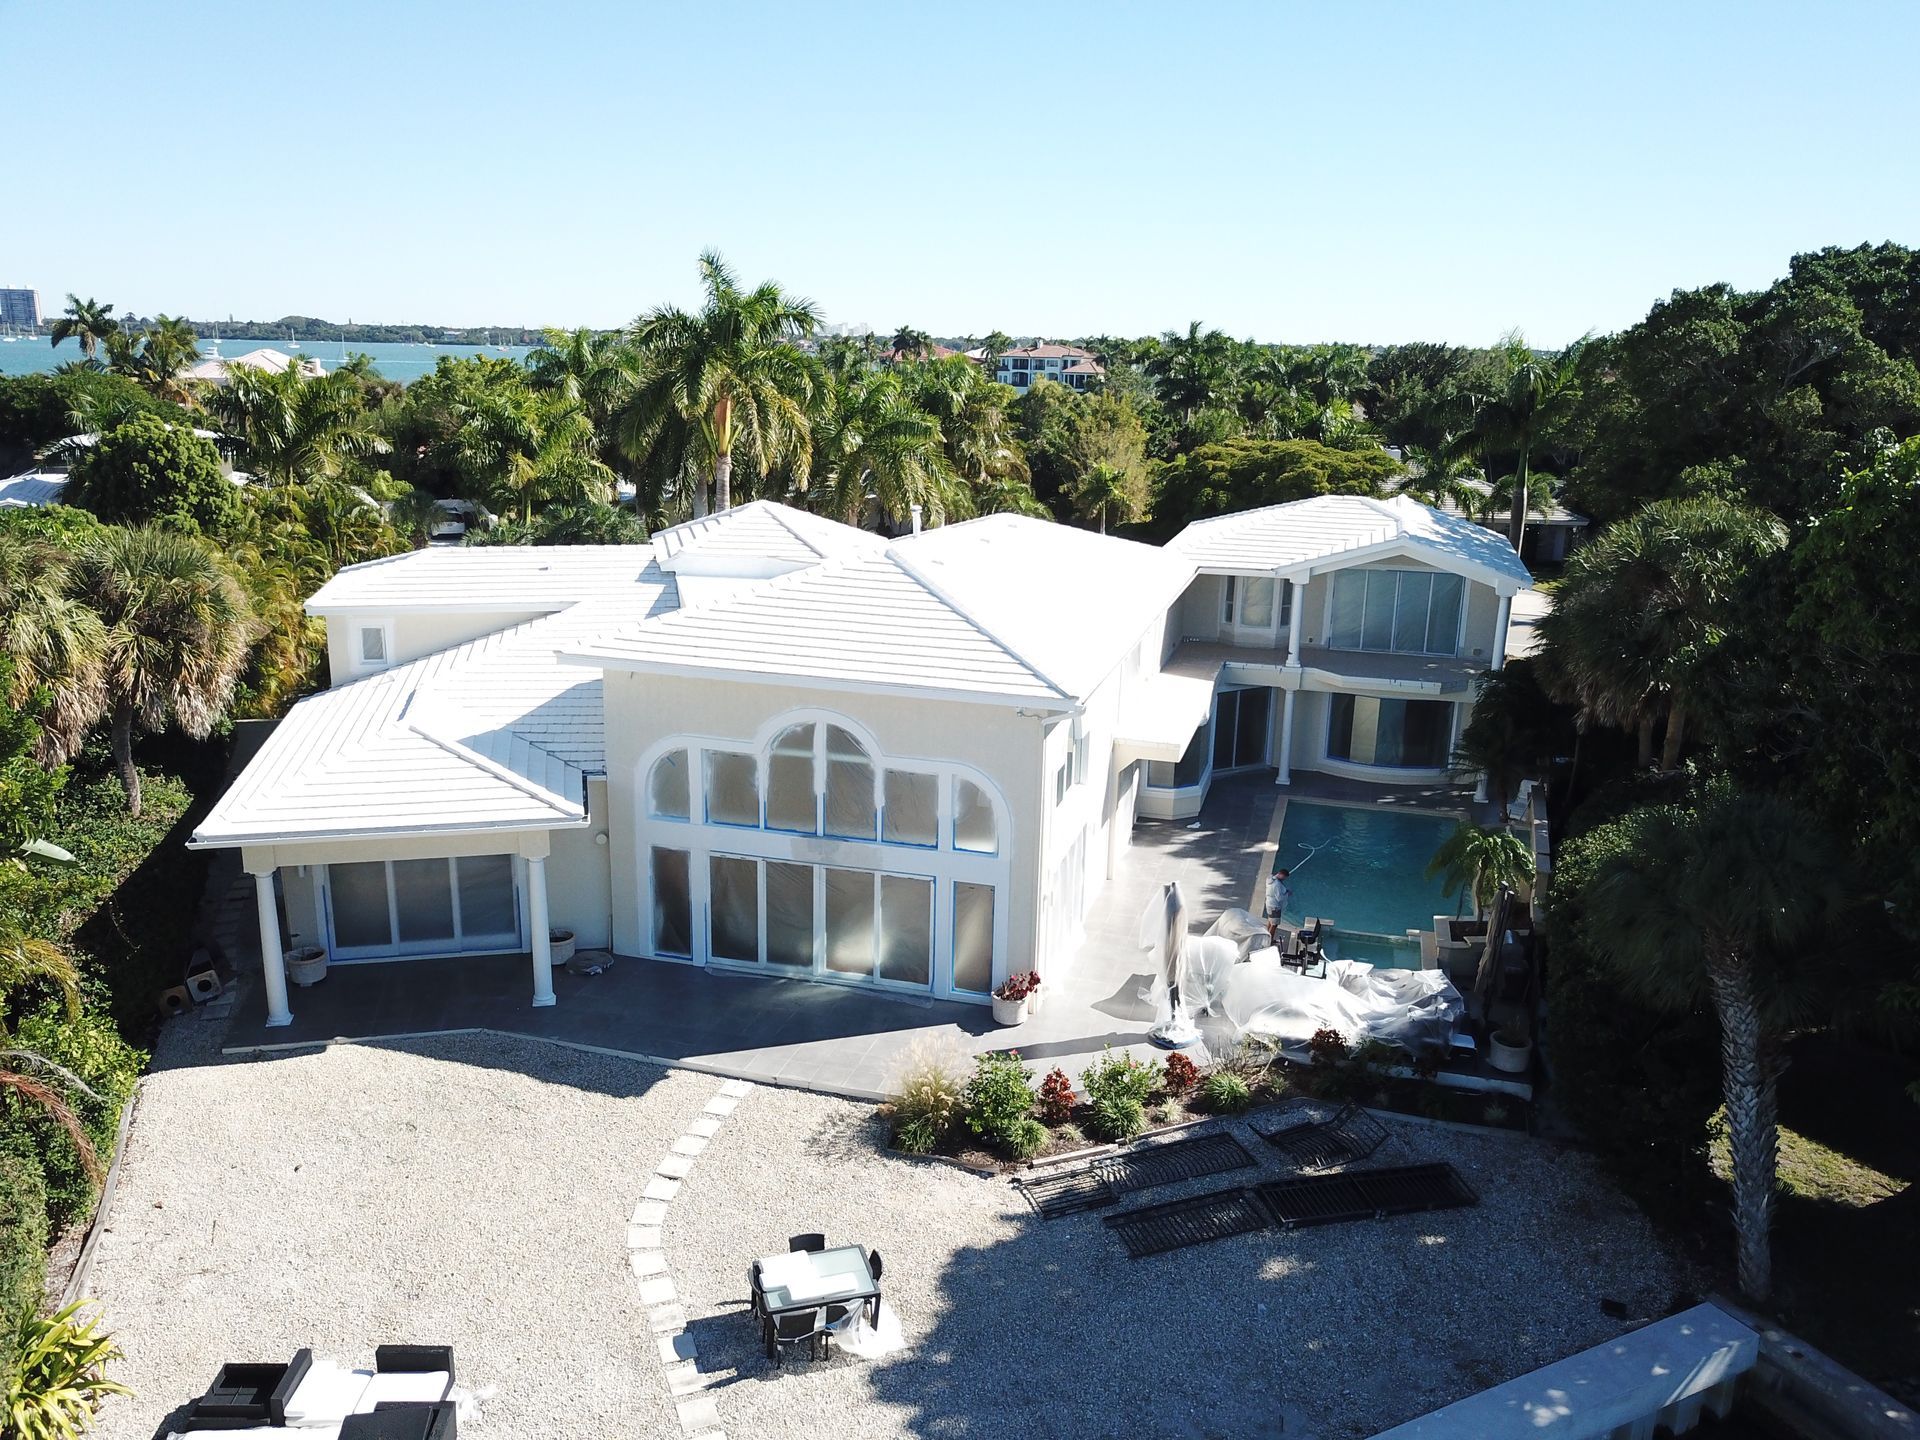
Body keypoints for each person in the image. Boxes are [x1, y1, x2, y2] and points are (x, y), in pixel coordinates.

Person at [1264, 865, 1293, 944]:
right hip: (1274, 906)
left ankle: (1266, 937)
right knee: (1274, 924)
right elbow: (1279, 898)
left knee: (1270, 921)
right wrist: (1287, 893)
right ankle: (1269, 941)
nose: (1284, 879)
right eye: (1284, 877)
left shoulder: (1270, 879)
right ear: (1281, 874)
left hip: (1269, 903)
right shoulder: (1277, 884)